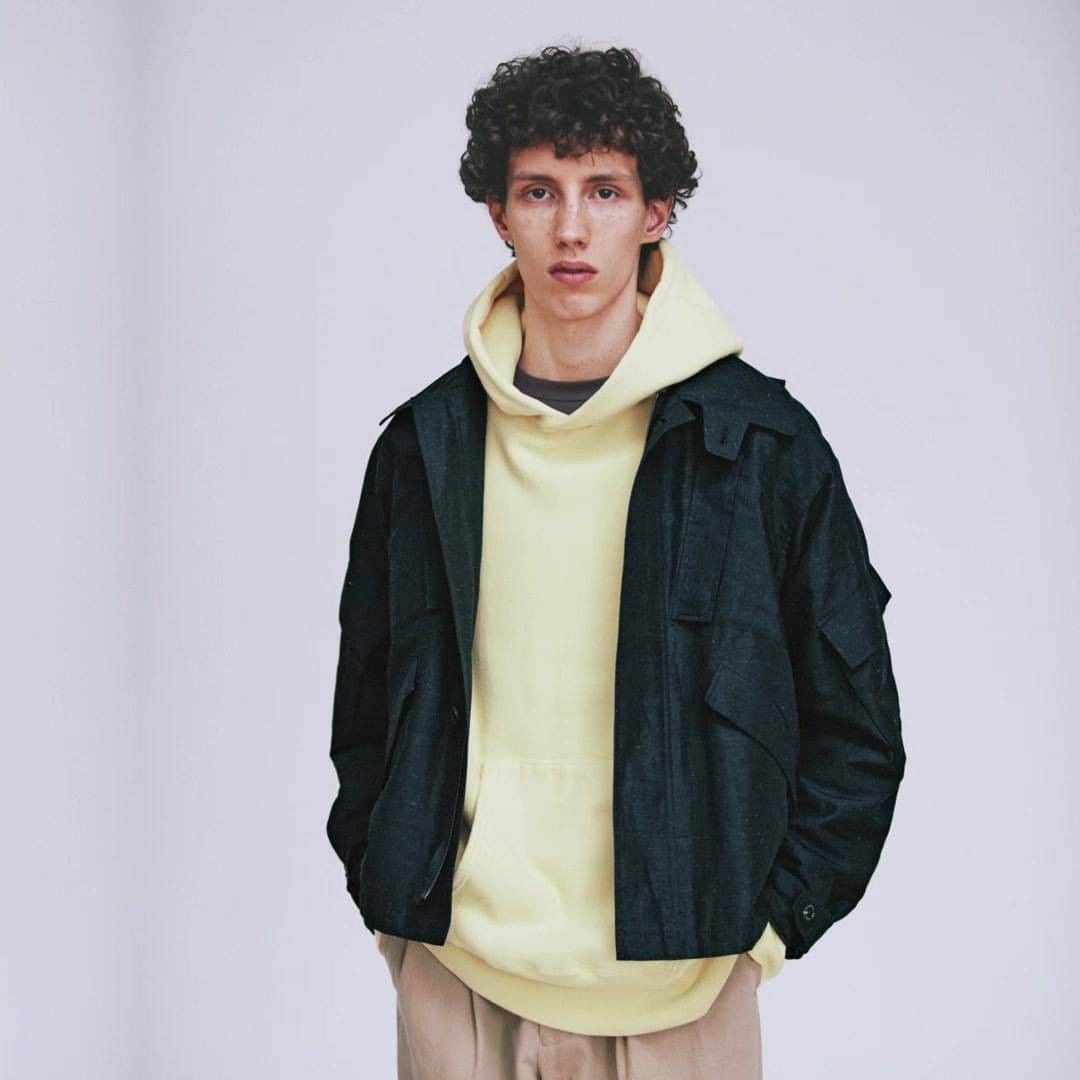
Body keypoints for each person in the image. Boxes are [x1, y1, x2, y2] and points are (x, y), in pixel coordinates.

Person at [326, 43, 906, 1079]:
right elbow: (366, 704)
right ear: (498, 215)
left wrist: (767, 933)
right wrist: (393, 903)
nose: (571, 227)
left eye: (604, 190)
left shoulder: (762, 450)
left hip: (684, 996)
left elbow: (856, 726)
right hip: (460, 982)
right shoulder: (425, 450)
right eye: (538, 191)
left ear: (657, 212)